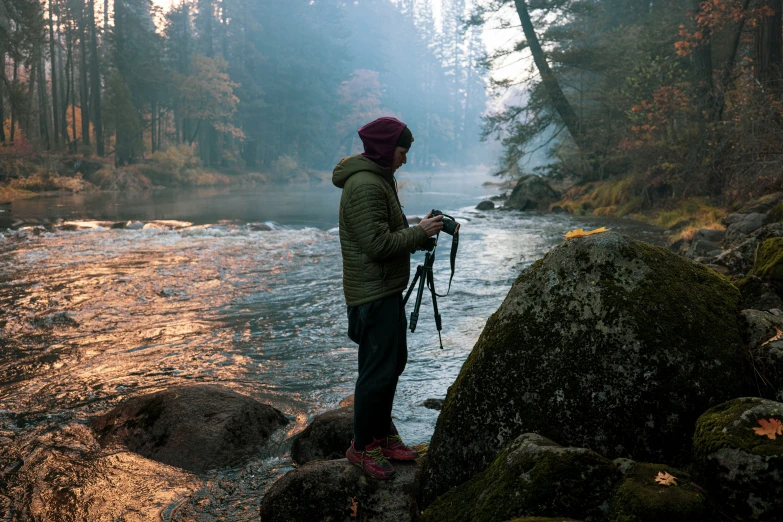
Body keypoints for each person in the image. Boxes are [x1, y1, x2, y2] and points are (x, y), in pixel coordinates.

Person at [332, 117, 443, 480]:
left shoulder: (379, 180)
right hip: (372, 294)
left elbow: (386, 233)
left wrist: (420, 232)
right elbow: (378, 245)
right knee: (377, 373)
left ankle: (381, 435)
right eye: (402, 151)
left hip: (383, 289)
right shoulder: (365, 185)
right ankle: (362, 447)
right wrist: (417, 233)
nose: (404, 160)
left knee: (391, 365)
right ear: (385, 149)